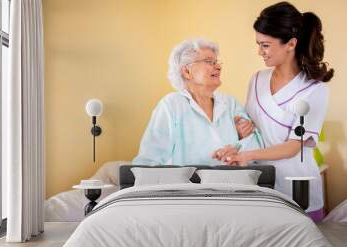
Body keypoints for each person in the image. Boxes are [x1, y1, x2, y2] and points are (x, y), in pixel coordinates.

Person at [214, 2, 333, 222]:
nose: (260, 51)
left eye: (266, 45)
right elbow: (252, 131)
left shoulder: (315, 90)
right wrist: (238, 139)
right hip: (260, 184)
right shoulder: (257, 79)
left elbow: (292, 146)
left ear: (291, 44)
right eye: (258, 44)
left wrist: (246, 155)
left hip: (297, 187)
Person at [133, 38, 261, 165]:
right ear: (187, 71)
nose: (218, 67)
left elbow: (256, 146)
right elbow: (149, 159)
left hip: (234, 182)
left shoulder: (230, 103)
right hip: (190, 184)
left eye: (217, 62)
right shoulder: (171, 105)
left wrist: (237, 148)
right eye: (209, 62)